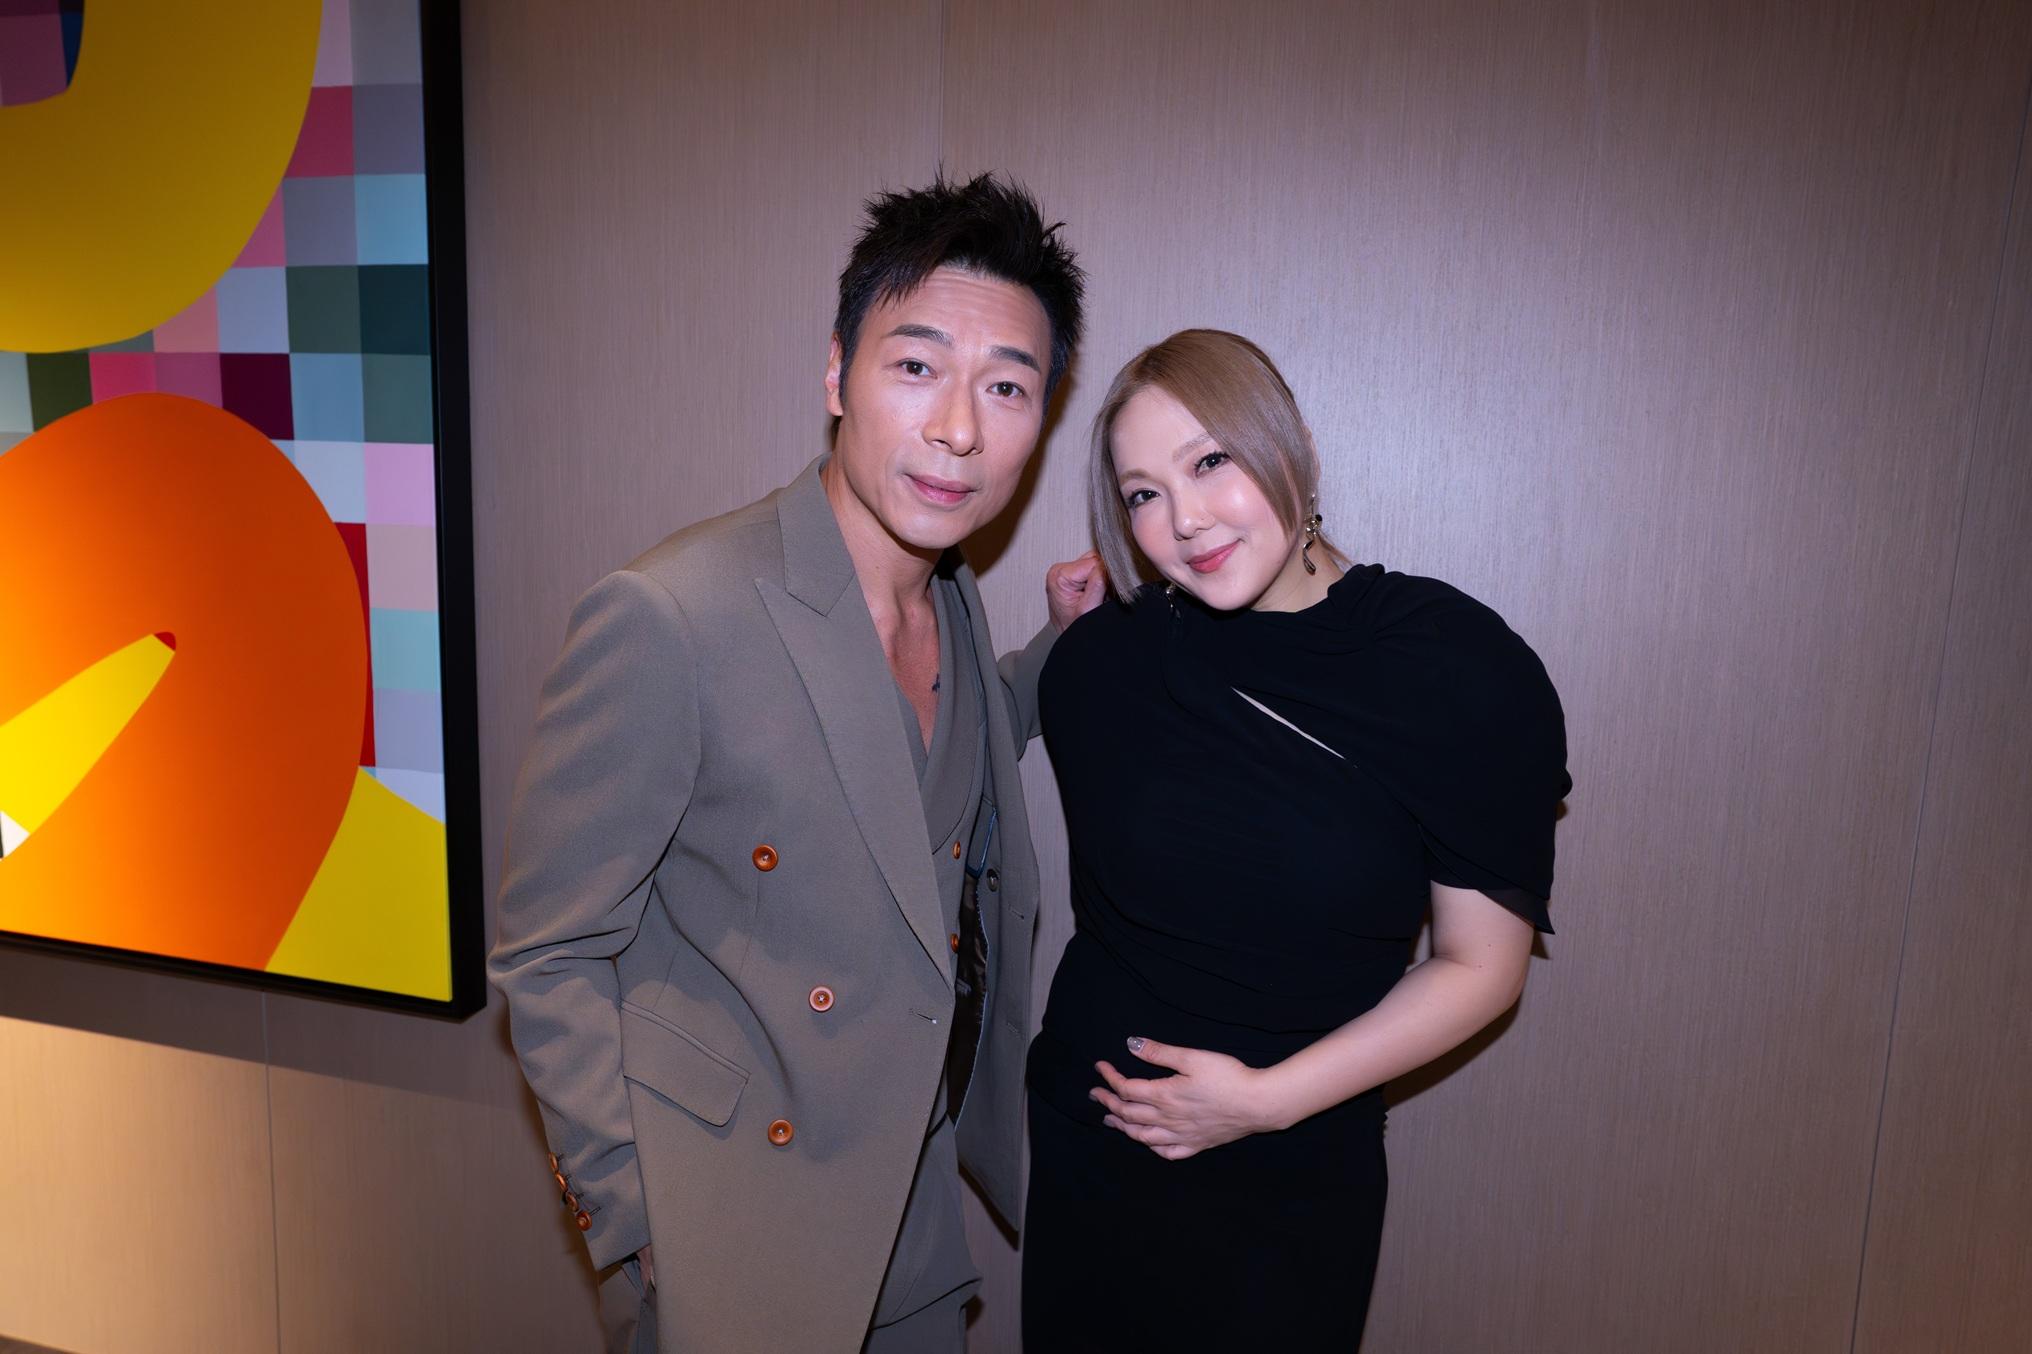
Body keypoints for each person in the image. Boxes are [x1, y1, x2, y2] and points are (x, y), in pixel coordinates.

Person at [490, 173, 1104, 1354]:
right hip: (735, 1234)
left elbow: (916, 766)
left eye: (1007, 386)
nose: (959, 428)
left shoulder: (952, 597)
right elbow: (546, 948)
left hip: (913, 1224)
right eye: (915, 365)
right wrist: (630, 1219)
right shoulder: (674, 613)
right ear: (835, 374)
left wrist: (1057, 652)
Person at [1021, 329, 1570, 1349]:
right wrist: (1067, 642)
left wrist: (1266, 1103)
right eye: (1143, 493)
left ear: (1296, 447)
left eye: (1210, 462)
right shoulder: (1101, 660)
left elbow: (1480, 967)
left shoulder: (1451, 667)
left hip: (1288, 1172)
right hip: (1088, 1152)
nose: (1184, 519)